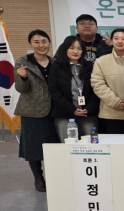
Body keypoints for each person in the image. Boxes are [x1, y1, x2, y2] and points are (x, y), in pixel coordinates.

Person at [14, 30, 59, 192]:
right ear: (31, 44)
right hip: (32, 110)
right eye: (37, 42)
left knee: (54, 145)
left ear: (49, 43)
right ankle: (38, 178)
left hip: (54, 110)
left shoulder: (55, 62)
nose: (41, 45)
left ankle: (54, 177)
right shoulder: (23, 62)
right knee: (33, 146)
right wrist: (23, 77)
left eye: (44, 41)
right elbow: (21, 89)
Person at [90, 28, 124, 134]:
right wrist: (116, 102)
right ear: (111, 41)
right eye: (116, 38)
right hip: (110, 112)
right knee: (113, 143)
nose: (120, 41)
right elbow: (97, 84)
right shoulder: (101, 61)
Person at [49, 35, 99, 141]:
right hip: (63, 114)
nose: (75, 51)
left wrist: (89, 108)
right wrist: (72, 109)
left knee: (90, 144)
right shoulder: (57, 66)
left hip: (87, 114)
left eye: (79, 48)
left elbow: (96, 89)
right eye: (71, 48)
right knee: (67, 145)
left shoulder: (89, 66)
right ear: (65, 49)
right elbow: (54, 90)